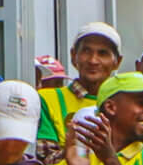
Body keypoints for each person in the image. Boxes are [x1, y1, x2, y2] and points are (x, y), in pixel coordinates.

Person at [40, 23, 124, 151]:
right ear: (73, 56)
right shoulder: (47, 99)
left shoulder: (125, 106)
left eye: (102, 53)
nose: (93, 60)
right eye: (86, 51)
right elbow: (44, 156)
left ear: (117, 62)